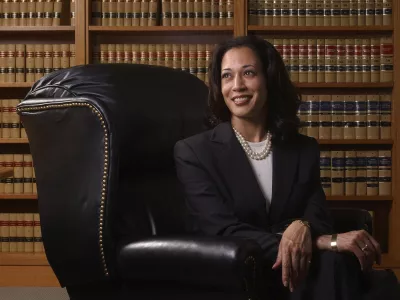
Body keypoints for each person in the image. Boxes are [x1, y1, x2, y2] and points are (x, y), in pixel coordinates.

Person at [173, 35, 386, 299]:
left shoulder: (302, 148)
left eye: (248, 73)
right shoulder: (194, 152)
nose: (237, 86)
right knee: (335, 264)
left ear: (268, 80)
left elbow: (316, 212)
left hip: (298, 272)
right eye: (227, 76)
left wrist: (304, 226)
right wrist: (319, 241)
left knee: (352, 270)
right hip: (234, 270)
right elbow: (221, 229)